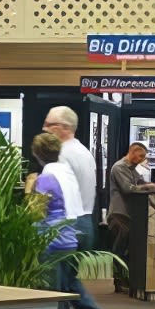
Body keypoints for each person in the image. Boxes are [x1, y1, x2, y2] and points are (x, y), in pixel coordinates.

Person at [30, 133, 111, 309]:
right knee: (69, 285)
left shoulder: (45, 178)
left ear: (37, 154)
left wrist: (30, 187)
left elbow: (36, 212)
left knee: (46, 293)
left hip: (50, 241)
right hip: (69, 239)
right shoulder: (67, 173)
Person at [43, 106, 97, 249]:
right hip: (86, 221)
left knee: (59, 270)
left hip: (65, 225)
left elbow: (52, 195)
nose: (44, 129)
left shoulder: (59, 155)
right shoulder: (84, 152)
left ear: (65, 127)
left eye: (49, 125)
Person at [108, 142, 150, 291]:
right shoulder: (119, 167)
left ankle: (126, 279)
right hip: (119, 214)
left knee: (127, 247)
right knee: (120, 248)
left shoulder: (132, 170)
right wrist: (146, 186)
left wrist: (152, 185)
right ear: (133, 152)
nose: (142, 159)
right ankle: (118, 280)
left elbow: (141, 183)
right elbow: (127, 188)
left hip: (128, 215)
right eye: (141, 156)